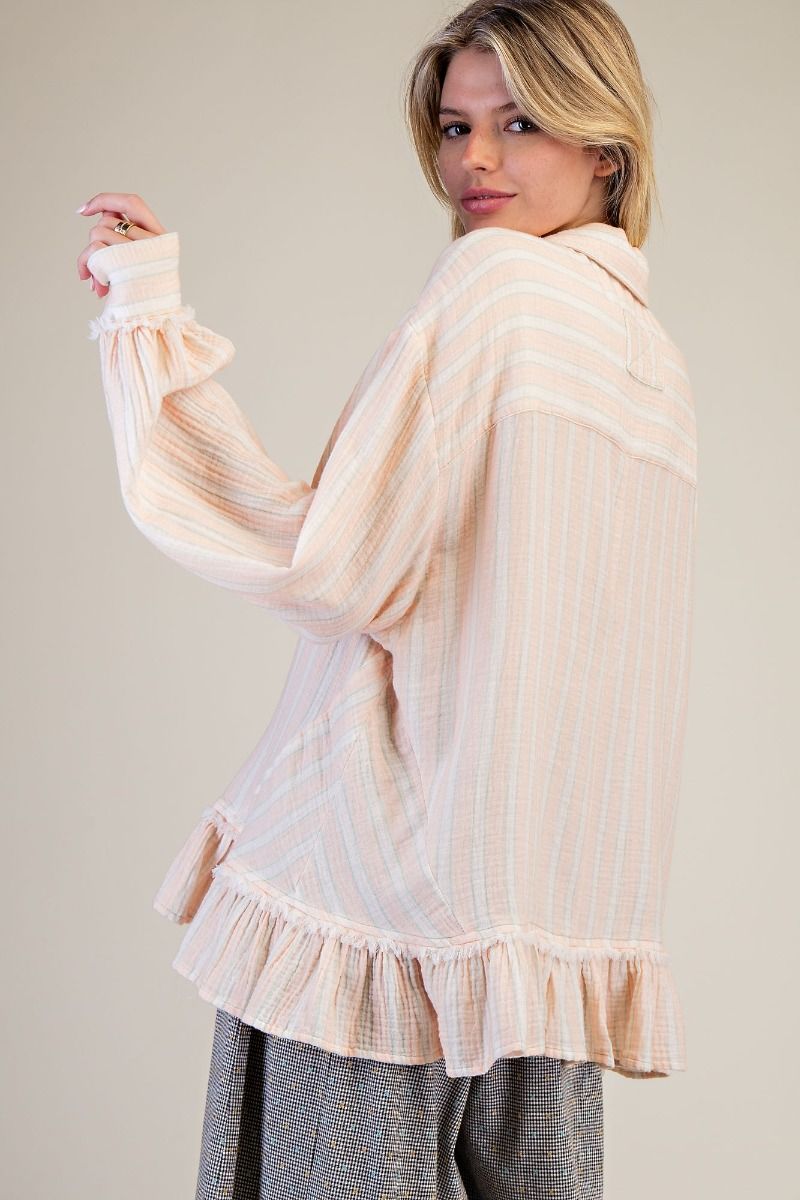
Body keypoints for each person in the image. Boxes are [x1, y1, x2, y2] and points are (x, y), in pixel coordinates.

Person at [75, 0, 697, 1196]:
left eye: (517, 122)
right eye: (453, 125)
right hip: (549, 928)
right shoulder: (650, 361)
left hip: (386, 913)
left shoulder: (495, 291)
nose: (472, 160)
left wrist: (144, 319)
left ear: (603, 145)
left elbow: (328, 560)